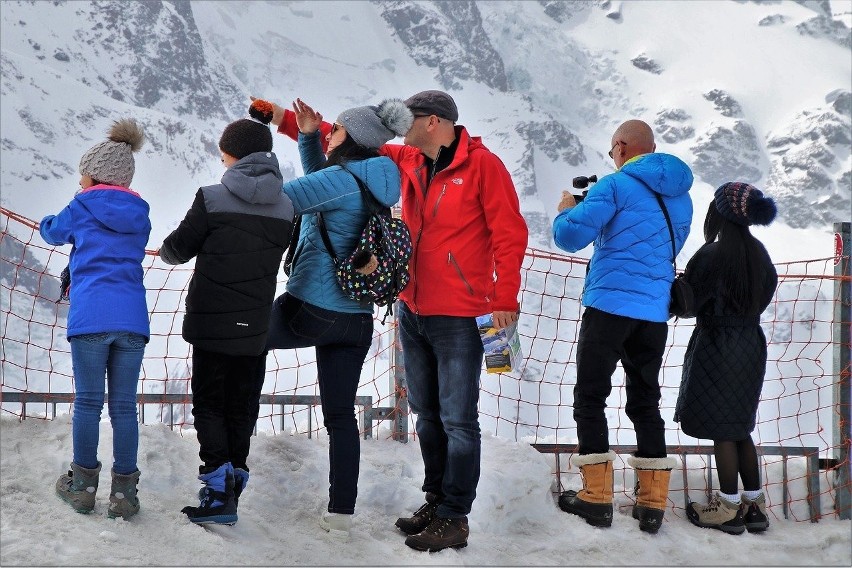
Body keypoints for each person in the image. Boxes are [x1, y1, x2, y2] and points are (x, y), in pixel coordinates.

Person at [265, 90, 529, 551]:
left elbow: (510, 233)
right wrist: (286, 120)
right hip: (412, 306)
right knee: (427, 414)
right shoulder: (407, 157)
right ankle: (435, 499)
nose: (401, 123)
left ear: (433, 122)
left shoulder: (484, 166)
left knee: (459, 419)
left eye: (411, 116)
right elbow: (344, 143)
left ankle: (455, 514)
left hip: (464, 313)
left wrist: (505, 297)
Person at [265, 98, 413, 539]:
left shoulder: (340, 180)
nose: (332, 132)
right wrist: (309, 137)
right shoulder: (378, 180)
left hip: (310, 308)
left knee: (245, 339)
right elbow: (324, 185)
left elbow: (282, 200)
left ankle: (228, 458)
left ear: (352, 137)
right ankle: (341, 511)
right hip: (357, 320)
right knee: (340, 417)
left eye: (337, 129)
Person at [552, 119, 693, 533]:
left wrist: (567, 209)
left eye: (613, 150)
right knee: (645, 401)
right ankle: (652, 504)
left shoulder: (614, 186)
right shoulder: (681, 198)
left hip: (609, 306)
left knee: (591, 395)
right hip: (653, 314)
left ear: (621, 147)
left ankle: (596, 498)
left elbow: (570, 236)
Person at [158, 100, 295, 525]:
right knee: (242, 405)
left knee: (210, 404)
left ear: (233, 155)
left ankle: (218, 493)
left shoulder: (211, 198)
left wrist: (165, 250)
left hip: (212, 322)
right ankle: (234, 480)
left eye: (224, 153)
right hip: (255, 324)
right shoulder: (289, 208)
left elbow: (177, 249)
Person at [40, 118, 150, 520]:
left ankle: (83, 488)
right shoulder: (140, 212)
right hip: (133, 319)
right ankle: (124, 496)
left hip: (90, 317)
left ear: (94, 174)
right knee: (124, 407)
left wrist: (63, 210)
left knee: (88, 403)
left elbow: (52, 232)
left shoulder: (81, 205)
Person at [675, 182, 778, 535]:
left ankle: (727, 507)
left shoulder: (709, 254)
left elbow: (686, 305)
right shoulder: (760, 254)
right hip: (751, 342)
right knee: (740, 427)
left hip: (717, 343)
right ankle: (754, 507)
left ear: (719, 213)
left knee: (722, 429)